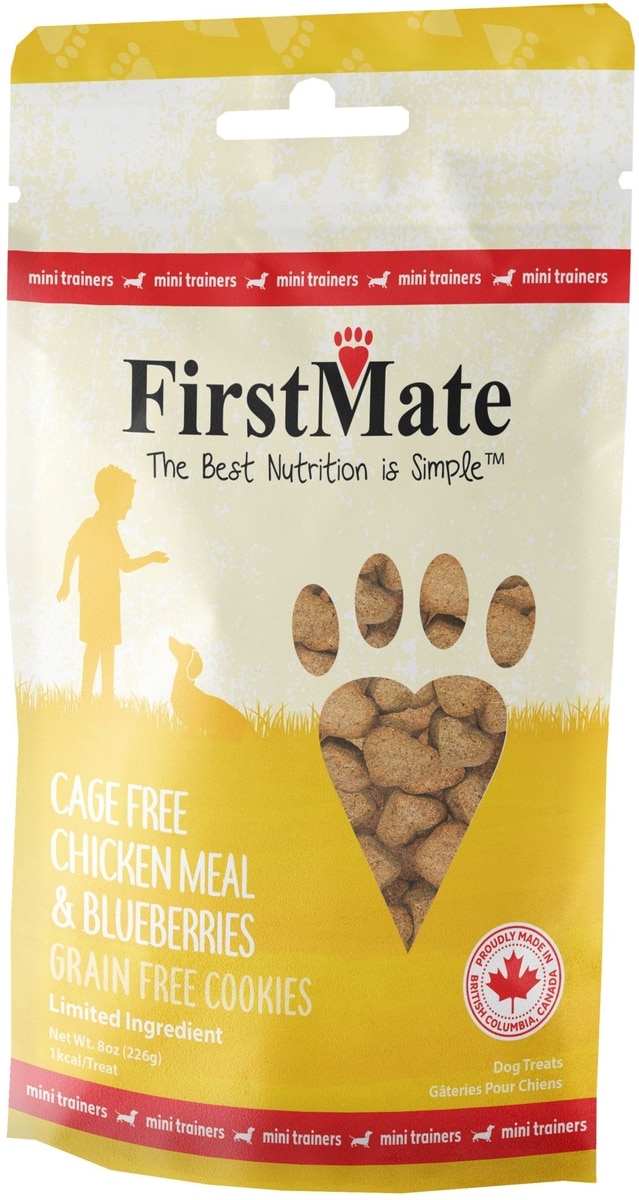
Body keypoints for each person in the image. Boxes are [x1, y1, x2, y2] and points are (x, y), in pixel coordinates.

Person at [57, 465, 168, 703]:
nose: (130, 505)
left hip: (109, 596)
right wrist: (65, 581)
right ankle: (86, 697)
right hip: (93, 596)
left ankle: (106, 697)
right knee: (95, 645)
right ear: (112, 497)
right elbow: (72, 549)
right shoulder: (90, 526)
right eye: (127, 498)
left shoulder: (111, 531)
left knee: (107, 647)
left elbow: (124, 565)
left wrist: (149, 558)